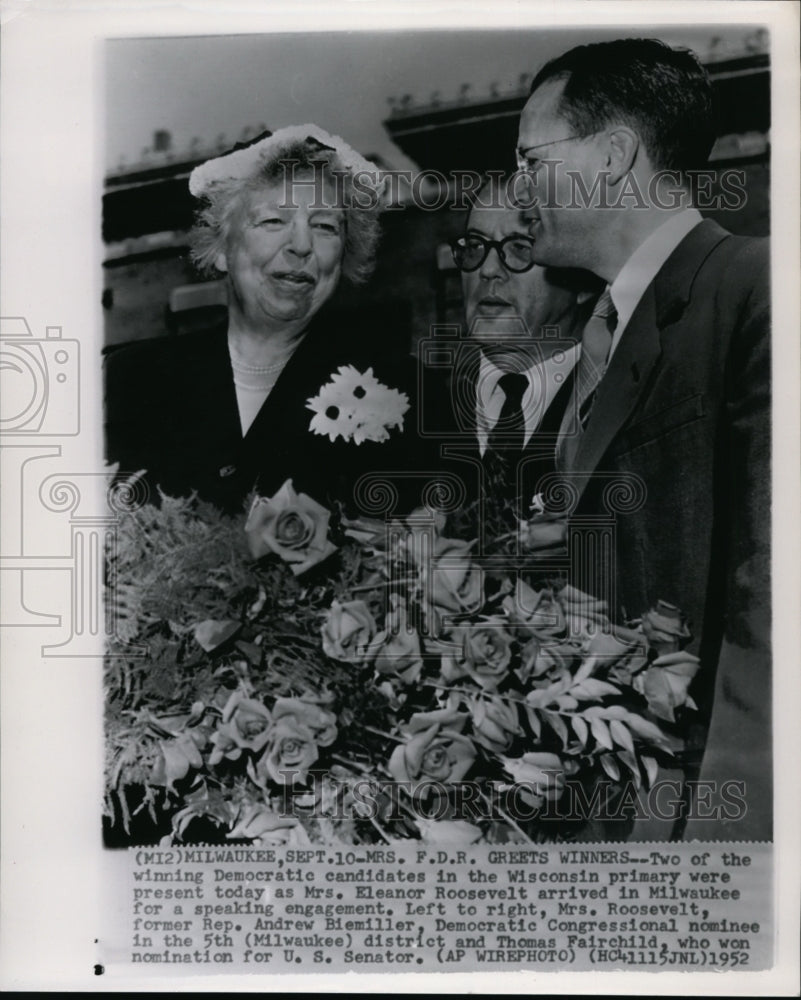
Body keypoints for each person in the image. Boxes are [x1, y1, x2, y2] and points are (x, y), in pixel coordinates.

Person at [517, 38, 770, 840]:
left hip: (700, 818)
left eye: (531, 161)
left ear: (615, 153)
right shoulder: (603, 335)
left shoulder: (754, 290)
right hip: (612, 811)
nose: (518, 191)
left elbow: (773, 596)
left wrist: (728, 837)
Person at [105, 125, 419, 516]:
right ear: (221, 250)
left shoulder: (402, 394)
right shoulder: (130, 383)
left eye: (325, 226)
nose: (303, 246)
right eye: (273, 221)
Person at [422, 174, 601, 520]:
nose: (488, 270)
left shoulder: (618, 410)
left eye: (521, 248)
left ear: (583, 280)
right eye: (474, 246)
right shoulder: (419, 409)